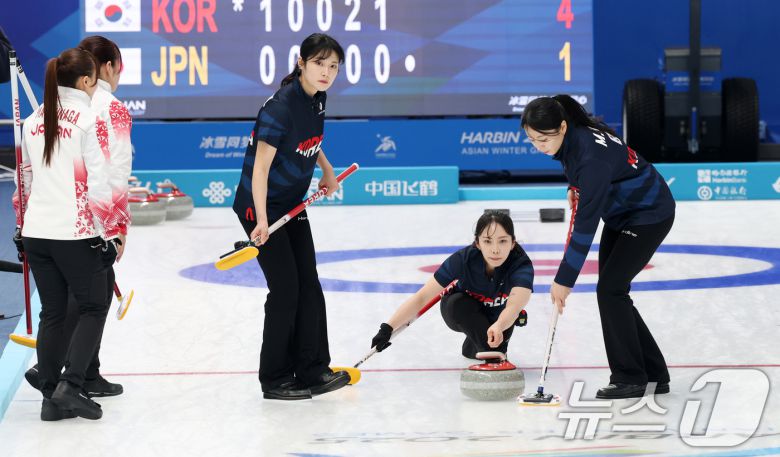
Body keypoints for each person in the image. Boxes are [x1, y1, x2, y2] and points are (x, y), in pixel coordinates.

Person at [521, 95, 676, 399]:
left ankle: (630, 378)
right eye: (532, 140)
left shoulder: (590, 157)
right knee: (613, 291)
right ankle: (654, 374)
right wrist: (574, 185)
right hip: (622, 214)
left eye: (543, 139)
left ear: (562, 127)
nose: (539, 146)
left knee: (610, 290)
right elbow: (594, 170)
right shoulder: (574, 136)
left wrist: (564, 279)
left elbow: (586, 225)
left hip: (648, 215)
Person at [232, 33, 350, 400]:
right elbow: (261, 170)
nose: (327, 72)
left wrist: (327, 170)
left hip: (291, 205)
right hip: (261, 206)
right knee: (285, 291)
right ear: (301, 63)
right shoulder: (279, 107)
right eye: (320, 64)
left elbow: (310, 143)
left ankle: (312, 369)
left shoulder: (317, 100)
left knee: (309, 288)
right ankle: (275, 377)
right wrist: (262, 221)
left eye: (333, 66)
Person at [13, 48, 124, 420]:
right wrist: (111, 232)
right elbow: (99, 183)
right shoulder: (90, 119)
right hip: (75, 233)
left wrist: (20, 226)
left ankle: (50, 399)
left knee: (54, 313)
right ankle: (72, 385)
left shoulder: (32, 120)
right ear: (87, 80)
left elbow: (23, 180)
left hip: (37, 232)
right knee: (94, 305)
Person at [370, 211, 534, 362]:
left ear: (513, 243)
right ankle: (485, 341)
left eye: (503, 241)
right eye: (487, 241)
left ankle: (479, 339)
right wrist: (387, 328)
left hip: (500, 314)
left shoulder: (521, 265)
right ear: (477, 243)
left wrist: (500, 324)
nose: (495, 249)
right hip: (461, 310)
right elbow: (422, 298)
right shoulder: (462, 260)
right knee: (461, 306)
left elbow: (514, 305)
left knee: (485, 344)